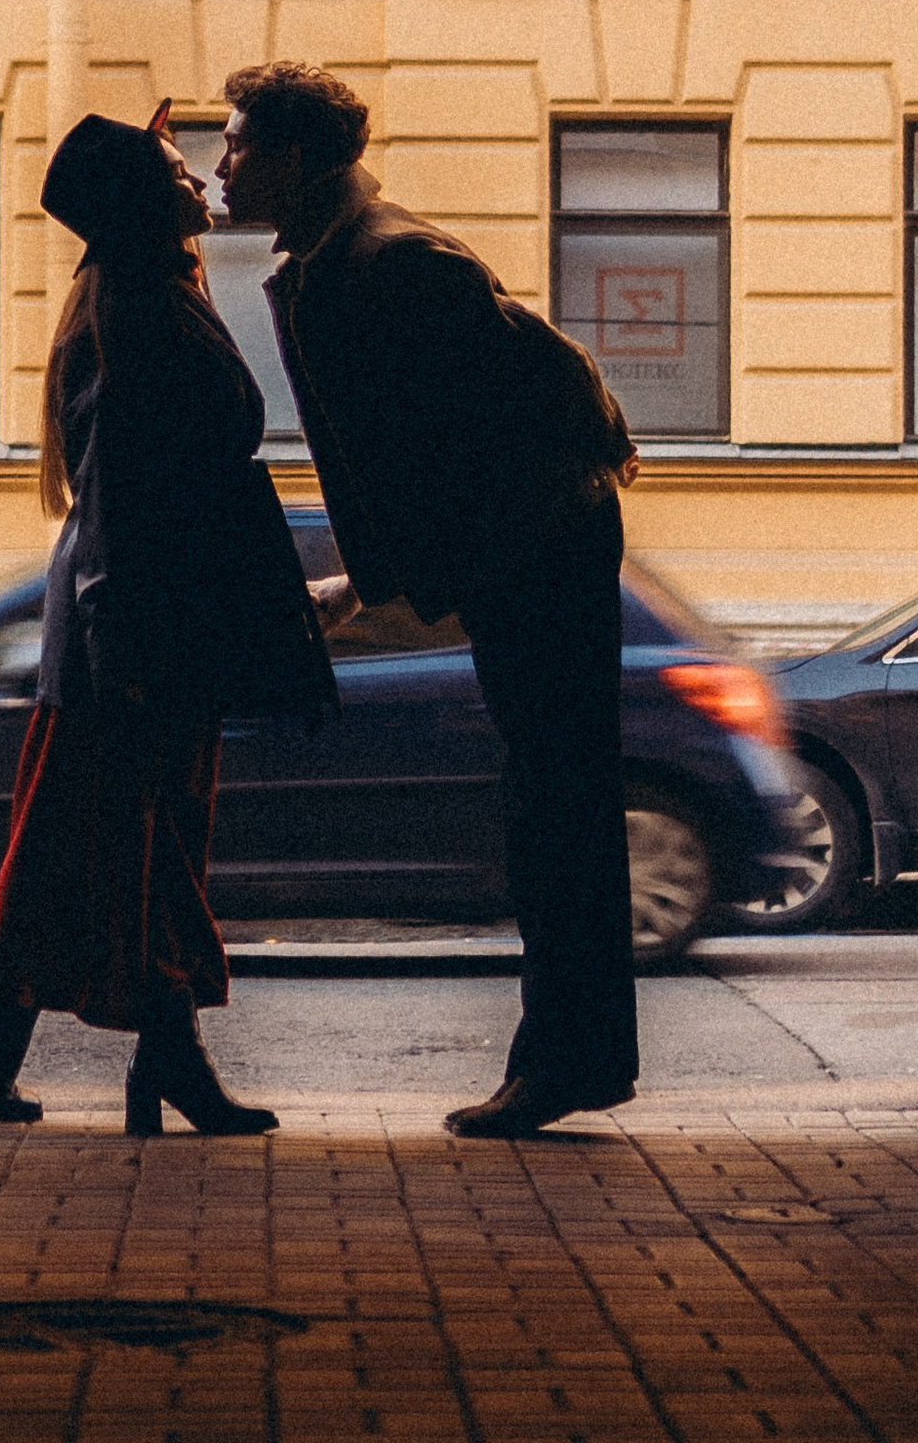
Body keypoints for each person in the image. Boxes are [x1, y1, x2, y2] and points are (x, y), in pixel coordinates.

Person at [218, 57, 643, 1137]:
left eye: (236, 141)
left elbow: (510, 410)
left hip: (542, 551)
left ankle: (565, 1062)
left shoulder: (394, 258)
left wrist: (397, 582)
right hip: (525, 550)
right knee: (550, 803)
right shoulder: (342, 255)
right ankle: (567, 1060)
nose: (221, 162)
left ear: (293, 155)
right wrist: (364, 585)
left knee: (558, 810)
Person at [0, 105, 336, 1134]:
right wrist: (120, 640)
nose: (197, 179)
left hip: (148, 623)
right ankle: (124, 1052)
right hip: (138, 632)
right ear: (140, 202)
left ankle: (63, 1038)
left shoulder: (149, 293)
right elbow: (117, 492)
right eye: (173, 169)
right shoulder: (140, 309)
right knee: (130, 847)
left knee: (132, 848)